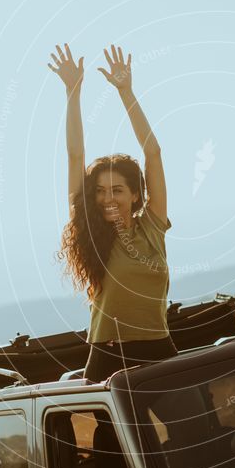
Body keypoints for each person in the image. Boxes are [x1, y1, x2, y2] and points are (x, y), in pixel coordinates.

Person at [48, 42, 177, 382]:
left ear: (136, 195)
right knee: (110, 438)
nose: (108, 198)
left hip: (159, 348)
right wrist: (73, 93)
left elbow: (153, 153)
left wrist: (126, 92)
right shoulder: (90, 228)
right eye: (101, 191)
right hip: (109, 354)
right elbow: (76, 156)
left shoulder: (152, 226)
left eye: (117, 190)